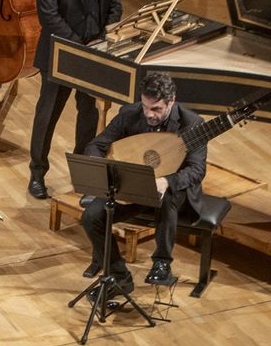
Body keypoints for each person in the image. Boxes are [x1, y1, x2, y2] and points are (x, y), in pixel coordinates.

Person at [27, 0, 122, 199]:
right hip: (61, 54)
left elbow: (115, 7)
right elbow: (49, 17)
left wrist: (105, 37)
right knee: (47, 115)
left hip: (93, 54)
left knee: (88, 114)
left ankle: (82, 175)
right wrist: (81, 47)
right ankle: (37, 173)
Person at [80, 72, 206, 288]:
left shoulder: (191, 123)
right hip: (132, 189)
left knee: (166, 198)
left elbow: (197, 170)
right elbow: (96, 145)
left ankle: (162, 264)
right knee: (91, 217)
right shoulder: (130, 113)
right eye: (146, 106)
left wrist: (166, 181)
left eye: (156, 109)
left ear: (171, 101)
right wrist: (104, 169)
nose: (149, 114)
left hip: (172, 192)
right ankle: (117, 274)